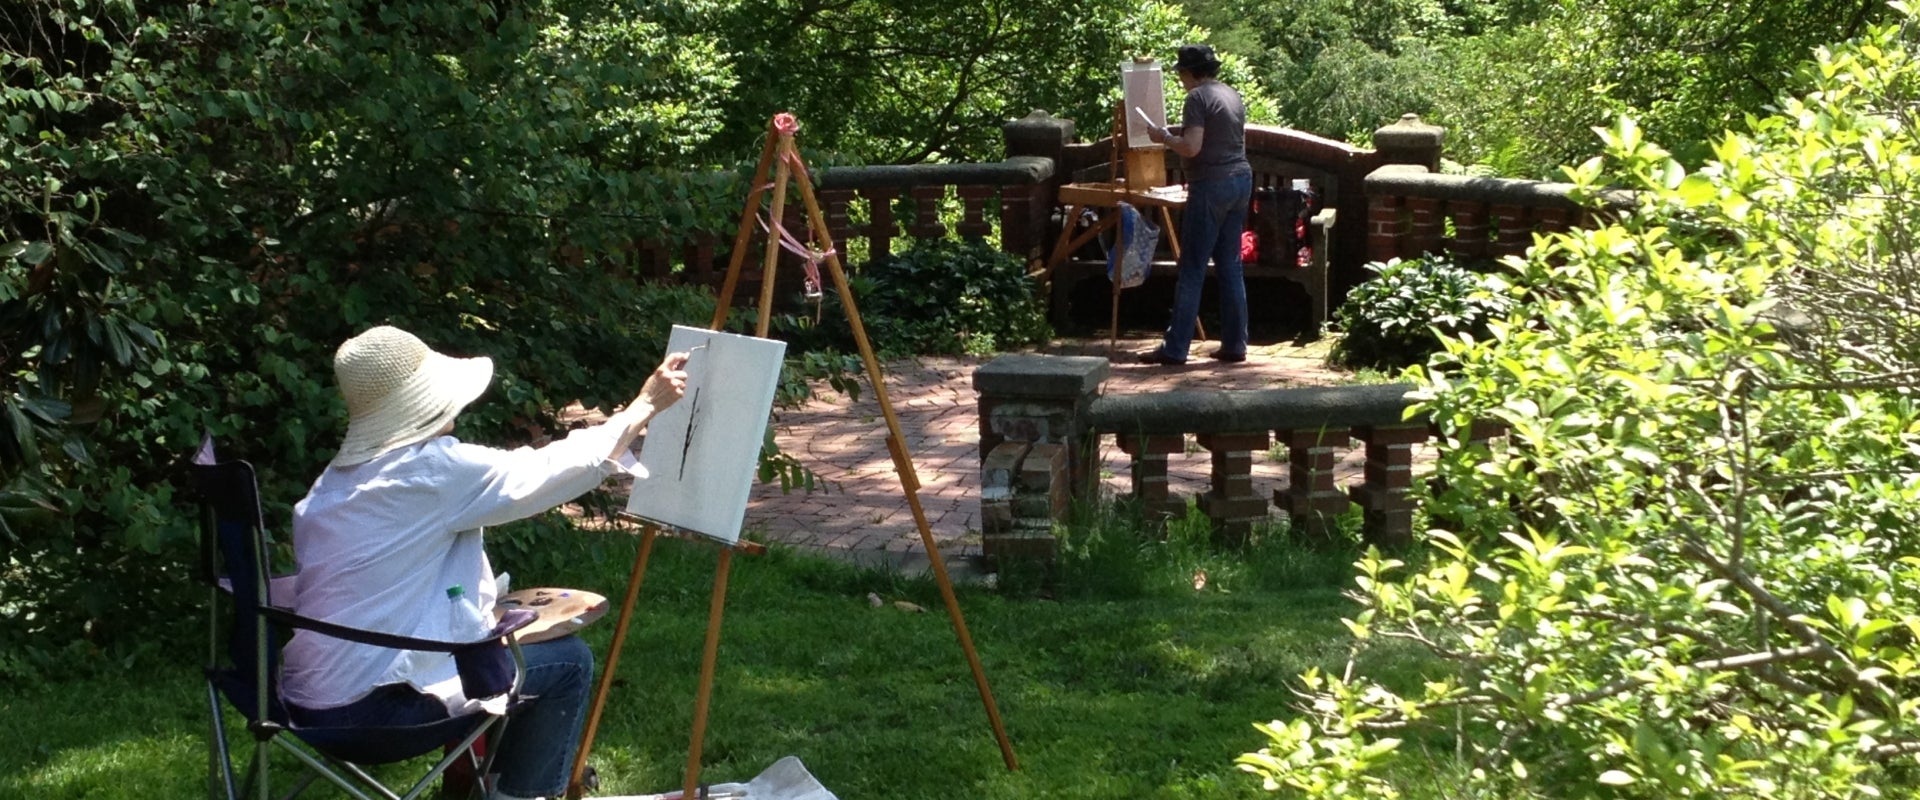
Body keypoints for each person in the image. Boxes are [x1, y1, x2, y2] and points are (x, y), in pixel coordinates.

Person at [281, 324, 689, 800]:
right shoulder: (429, 470)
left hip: (304, 700)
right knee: (567, 661)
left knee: (499, 648)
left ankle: (475, 788)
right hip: (376, 711)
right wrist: (645, 406)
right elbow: (551, 470)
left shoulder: (333, 483)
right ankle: (516, 795)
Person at [1139, 43, 1252, 365]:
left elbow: (1191, 148)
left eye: (1181, 74)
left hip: (1211, 185)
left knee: (1192, 268)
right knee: (1231, 266)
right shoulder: (1231, 94)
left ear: (1189, 73)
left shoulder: (1197, 98)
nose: (1181, 80)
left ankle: (1175, 349)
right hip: (1240, 180)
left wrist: (1163, 138)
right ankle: (1235, 345)